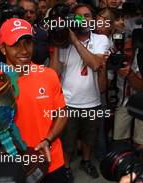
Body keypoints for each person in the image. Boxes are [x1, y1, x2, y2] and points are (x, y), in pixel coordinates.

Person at [0, 17, 68, 183]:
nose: (24, 50)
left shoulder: (49, 75)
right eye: (16, 44)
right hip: (17, 167)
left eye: (28, 42)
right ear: (3, 48)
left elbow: (62, 114)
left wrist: (47, 140)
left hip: (52, 161)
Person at [49, 3, 110, 182]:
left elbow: (96, 64)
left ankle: (85, 161)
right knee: (68, 141)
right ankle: (67, 167)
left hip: (92, 100)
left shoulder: (100, 40)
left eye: (88, 16)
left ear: (93, 20)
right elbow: (54, 73)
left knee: (89, 139)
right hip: (68, 101)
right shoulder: (64, 41)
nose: (84, 20)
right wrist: (58, 42)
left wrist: (75, 41)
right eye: (79, 16)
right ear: (71, 20)